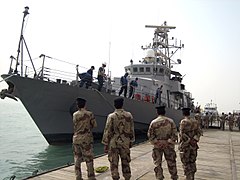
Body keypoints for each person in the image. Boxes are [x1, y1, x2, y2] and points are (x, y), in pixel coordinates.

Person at [102, 97, 135, 180]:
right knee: (126, 162)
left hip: (114, 143)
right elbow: (131, 129)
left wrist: (105, 144)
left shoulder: (111, 116)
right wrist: (131, 141)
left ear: (114, 105)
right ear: (122, 104)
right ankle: (127, 177)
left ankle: (115, 177)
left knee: (114, 163)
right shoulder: (129, 115)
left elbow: (107, 131)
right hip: (125, 142)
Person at [147, 105, 178, 180]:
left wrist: (157, 142)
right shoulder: (171, 121)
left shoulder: (153, 122)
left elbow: (150, 135)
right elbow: (175, 134)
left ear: (157, 112)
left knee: (157, 163)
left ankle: (159, 177)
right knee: (171, 162)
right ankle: (174, 177)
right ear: (165, 112)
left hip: (157, 146)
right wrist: (168, 141)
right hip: (169, 145)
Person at [72, 97, 97, 180]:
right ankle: (91, 177)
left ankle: (78, 177)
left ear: (77, 106)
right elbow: (94, 125)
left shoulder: (75, 114)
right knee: (89, 158)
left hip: (76, 138)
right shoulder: (89, 114)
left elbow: (75, 125)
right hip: (86, 139)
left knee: (77, 158)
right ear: (85, 105)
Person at [179, 108, 202, 180]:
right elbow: (199, 132)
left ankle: (188, 177)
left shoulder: (183, 122)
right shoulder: (195, 122)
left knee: (186, 162)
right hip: (194, 145)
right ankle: (192, 176)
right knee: (192, 161)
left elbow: (182, 134)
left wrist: (188, 140)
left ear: (183, 114)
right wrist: (194, 140)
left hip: (185, 146)